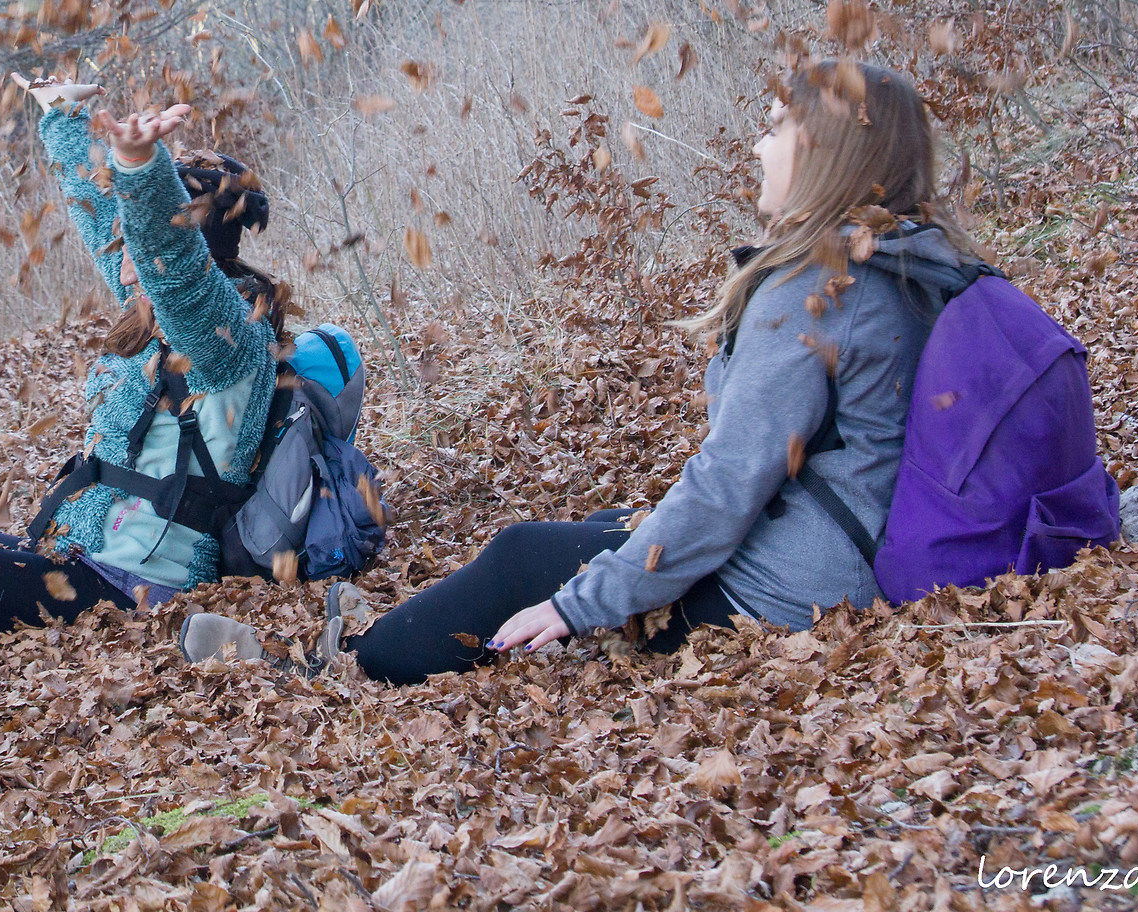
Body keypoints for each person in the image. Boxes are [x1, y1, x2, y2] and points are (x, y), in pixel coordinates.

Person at [332, 60, 985, 685]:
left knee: (520, 555)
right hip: (861, 546)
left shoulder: (816, 290)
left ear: (824, 148)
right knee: (609, 523)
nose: (757, 148)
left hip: (806, 588)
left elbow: (728, 483)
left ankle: (364, 659)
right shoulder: (913, 256)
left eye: (774, 129)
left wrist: (578, 606)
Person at [0, 78, 288, 670]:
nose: (119, 256)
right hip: (79, 559)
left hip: (133, 592)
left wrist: (139, 167)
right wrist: (63, 117)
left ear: (186, 243)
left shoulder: (226, 339)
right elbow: (101, 219)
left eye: (134, 236)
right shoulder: (157, 315)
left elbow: (173, 269)